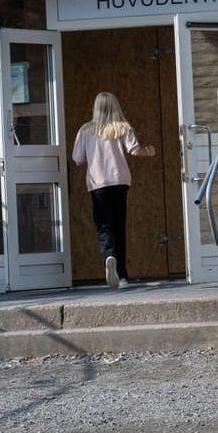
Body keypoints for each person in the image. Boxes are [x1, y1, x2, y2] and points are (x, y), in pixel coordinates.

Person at [70, 92, 156, 289]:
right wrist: (149, 151)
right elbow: (135, 150)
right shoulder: (122, 128)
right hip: (120, 182)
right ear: (116, 107)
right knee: (119, 227)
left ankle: (109, 256)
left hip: (98, 185)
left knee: (104, 227)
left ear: (96, 108)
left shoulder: (86, 130)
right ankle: (123, 277)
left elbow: (77, 158)